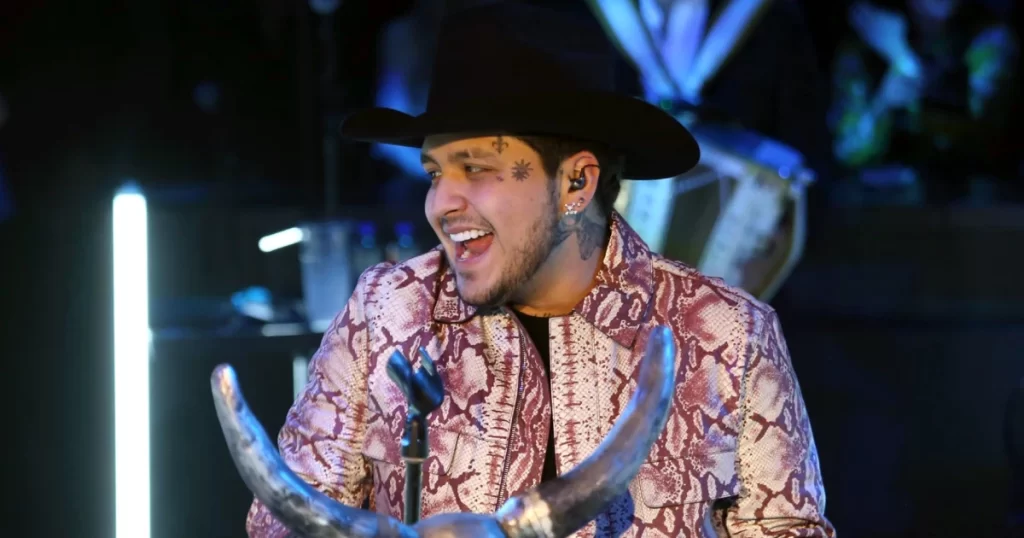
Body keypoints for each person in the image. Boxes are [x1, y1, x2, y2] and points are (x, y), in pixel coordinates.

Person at [245, 3, 834, 537]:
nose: (439, 203)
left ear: (577, 182)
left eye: (476, 168)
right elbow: (281, 525)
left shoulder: (727, 334)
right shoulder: (387, 311)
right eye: (434, 173)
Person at [830, 0, 1019, 200]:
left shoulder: (990, 38)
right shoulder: (866, 45)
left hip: (978, 204)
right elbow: (848, 151)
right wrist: (882, 105)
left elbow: (984, 139)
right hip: (879, 207)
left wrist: (903, 60)